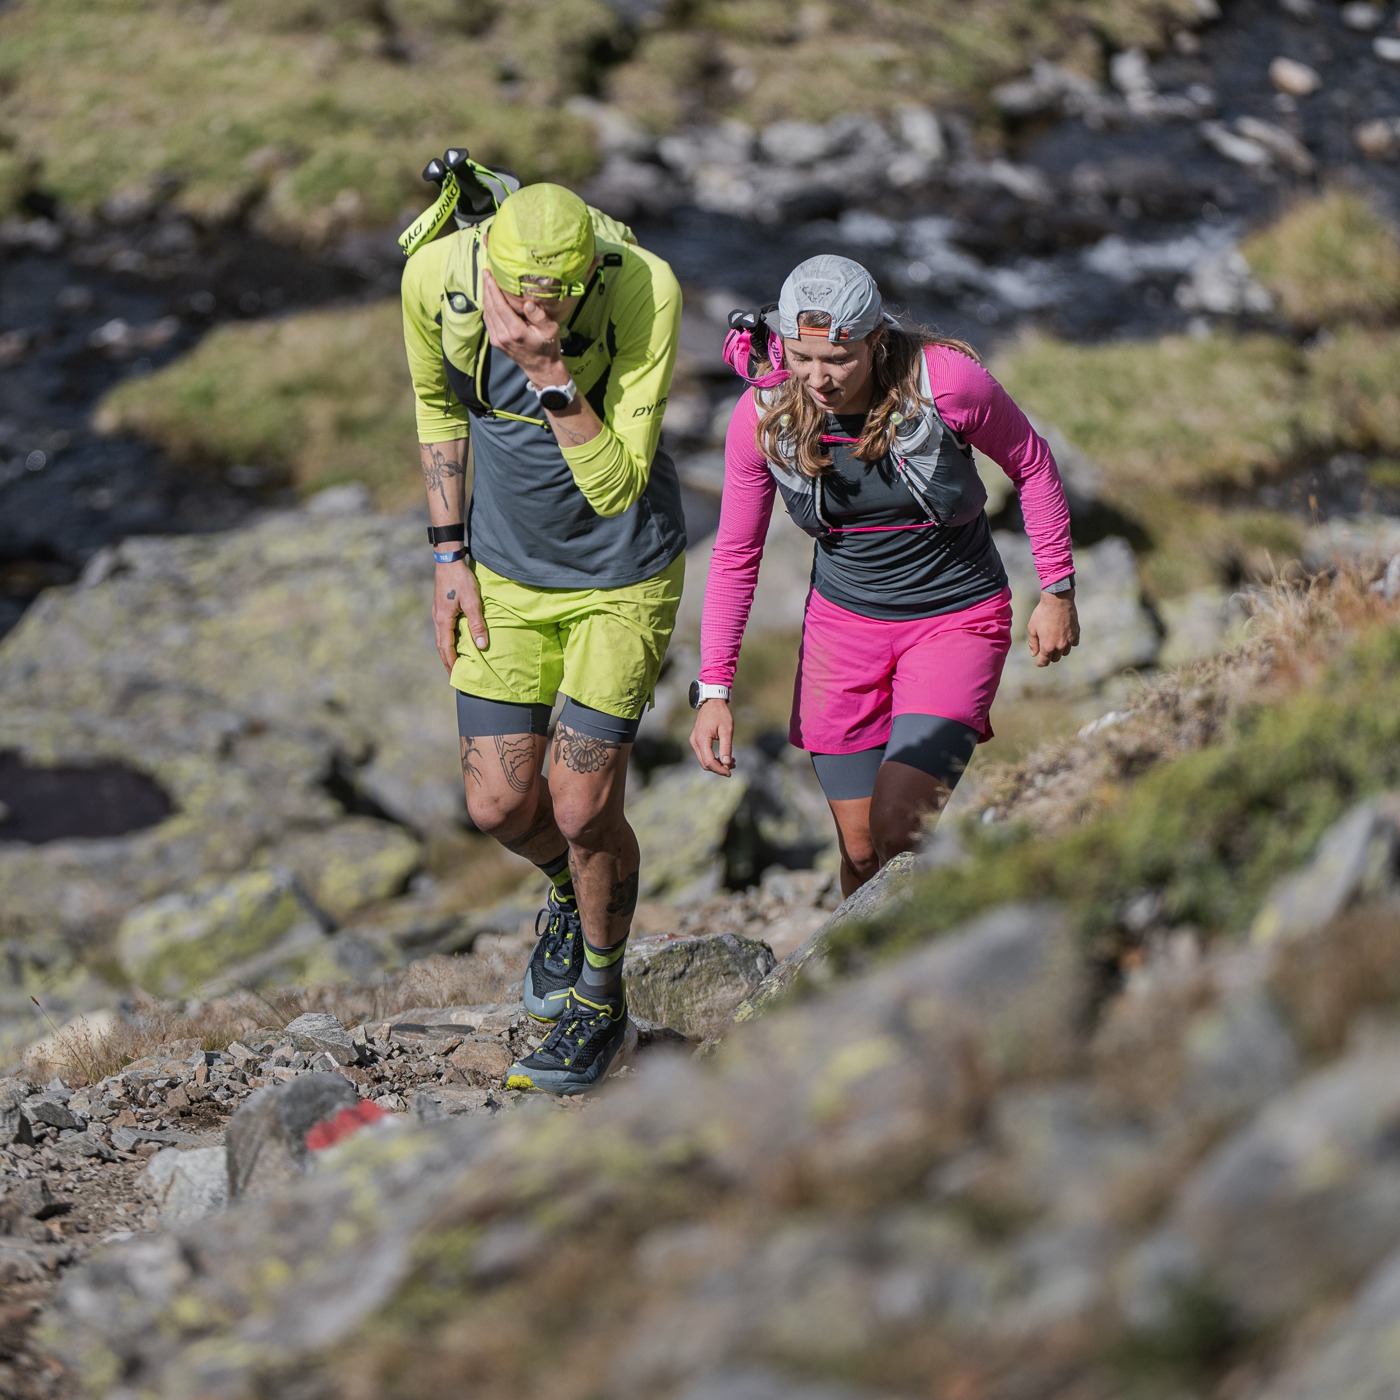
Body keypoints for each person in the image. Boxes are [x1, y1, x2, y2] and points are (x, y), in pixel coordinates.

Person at [401, 181, 686, 1094]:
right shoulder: (436, 277)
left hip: (622, 573)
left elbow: (615, 485)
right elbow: (437, 409)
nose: (536, 313)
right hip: (503, 574)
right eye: (521, 294)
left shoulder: (643, 287)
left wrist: (550, 372)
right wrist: (448, 556)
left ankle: (600, 1001)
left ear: (588, 273)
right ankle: (570, 890)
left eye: (556, 298)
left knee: (581, 807)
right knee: (498, 808)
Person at [689, 255, 1078, 897]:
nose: (817, 378)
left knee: (900, 828)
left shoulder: (946, 383)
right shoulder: (763, 415)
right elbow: (734, 553)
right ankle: (859, 954)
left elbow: (1032, 465)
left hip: (956, 618)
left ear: (876, 340)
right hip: (842, 633)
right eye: (801, 357)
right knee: (862, 849)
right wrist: (714, 690)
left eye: (838, 359)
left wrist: (1056, 588)